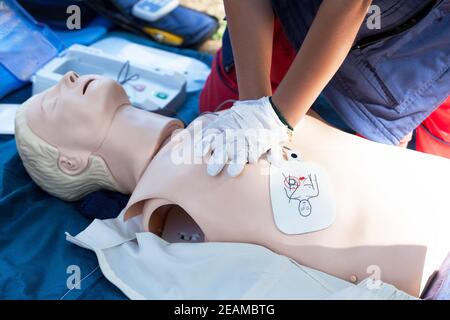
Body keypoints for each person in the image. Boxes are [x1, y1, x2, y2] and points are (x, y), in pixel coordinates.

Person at [15, 73, 450, 296]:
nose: (68, 79)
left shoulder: (220, 116)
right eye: (53, 101)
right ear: (71, 162)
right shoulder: (164, 215)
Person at [198, 0, 450, 177]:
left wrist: (275, 118)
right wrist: (253, 106)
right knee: (211, 165)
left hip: (412, 70)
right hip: (279, 37)